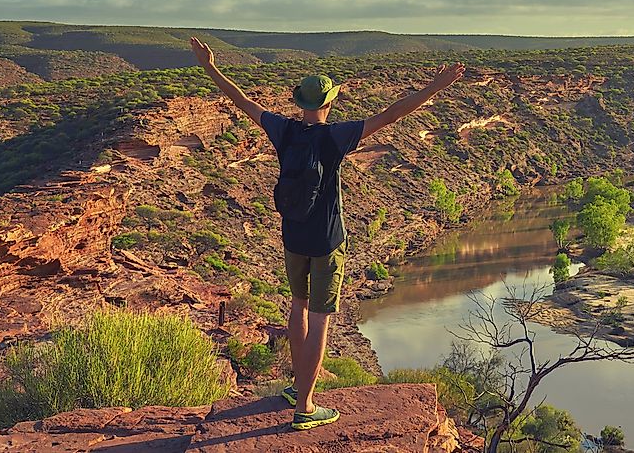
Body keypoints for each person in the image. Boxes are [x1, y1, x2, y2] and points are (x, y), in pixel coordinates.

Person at [189, 36, 465, 430]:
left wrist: (210, 67)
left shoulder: (283, 130)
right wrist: (436, 87)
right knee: (320, 317)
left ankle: (297, 386)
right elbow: (391, 115)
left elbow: (243, 102)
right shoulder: (335, 136)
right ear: (329, 103)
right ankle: (306, 406)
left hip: (292, 237)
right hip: (326, 240)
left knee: (297, 307)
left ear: (299, 103)